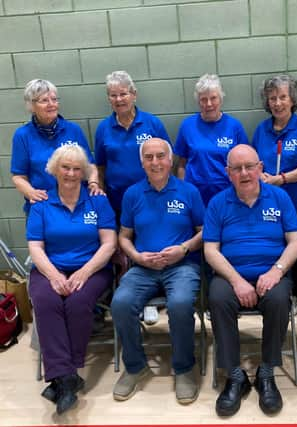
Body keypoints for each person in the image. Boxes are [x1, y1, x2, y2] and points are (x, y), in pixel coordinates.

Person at [203, 145, 297, 416]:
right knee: (218, 298)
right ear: (228, 173)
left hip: (272, 271)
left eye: (249, 166)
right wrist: (236, 281)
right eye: (237, 168)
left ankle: (266, 373)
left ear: (260, 168)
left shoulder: (280, 197)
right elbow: (210, 249)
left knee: (280, 298)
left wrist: (276, 271)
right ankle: (235, 376)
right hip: (231, 273)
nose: (244, 173)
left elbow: (296, 241)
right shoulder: (217, 203)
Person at [111, 138, 204, 405]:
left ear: (171, 159)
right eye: (149, 158)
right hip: (143, 268)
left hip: (181, 266)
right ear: (142, 163)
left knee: (181, 304)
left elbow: (204, 231)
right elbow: (124, 236)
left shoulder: (188, 192)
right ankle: (135, 366)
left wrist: (183, 249)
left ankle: (184, 368)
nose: (155, 162)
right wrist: (137, 256)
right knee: (121, 303)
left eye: (160, 156)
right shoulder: (132, 194)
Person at [26, 145, 117, 415]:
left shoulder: (97, 200)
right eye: (65, 167)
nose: (71, 173)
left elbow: (109, 244)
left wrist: (85, 271)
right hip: (49, 268)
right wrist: (53, 275)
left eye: (77, 169)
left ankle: (64, 374)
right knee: (45, 300)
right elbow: (35, 247)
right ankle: (67, 378)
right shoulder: (41, 204)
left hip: (92, 268)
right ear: (55, 170)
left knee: (77, 301)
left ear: (84, 173)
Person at [95, 70, 171, 325]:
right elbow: (101, 167)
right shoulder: (104, 128)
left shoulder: (152, 124)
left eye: (123, 93)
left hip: (151, 199)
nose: (119, 99)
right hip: (118, 202)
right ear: (108, 99)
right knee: (124, 254)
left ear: (134, 94)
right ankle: (131, 302)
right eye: (113, 95)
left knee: (150, 247)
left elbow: (166, 158)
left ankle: (153, 303)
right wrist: (100, 191)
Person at [252, 75, 297, 315]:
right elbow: (255, 163)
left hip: (296, 202)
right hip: (266, 203)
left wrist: (282, 179)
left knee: (295, 246)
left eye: (282, 97)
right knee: (272, 245)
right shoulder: (262, 130)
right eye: (272, 98)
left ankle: (294, 294)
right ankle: (270, 291)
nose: (277, 103)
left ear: (292, 100)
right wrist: (261, 175)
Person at [10, 79, 101, 215]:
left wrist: (93, 183)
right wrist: (31, 193)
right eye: (44, 100)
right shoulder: (22, 135)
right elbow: (18, 176)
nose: (51, 104)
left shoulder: (73, 130)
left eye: (54, 99)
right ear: (32, 105)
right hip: (43, 206)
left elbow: (90, 165)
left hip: (77, 204)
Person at [174, 73, 249, 206]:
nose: (209, 104)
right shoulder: (187, 126)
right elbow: (181, 164)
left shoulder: (234, 127)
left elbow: (245, 164)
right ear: (198, 102)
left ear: (220, 99)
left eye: (213, 98)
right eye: (203, 99)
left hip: (228, 195)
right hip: (195, 195)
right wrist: (183, 190)